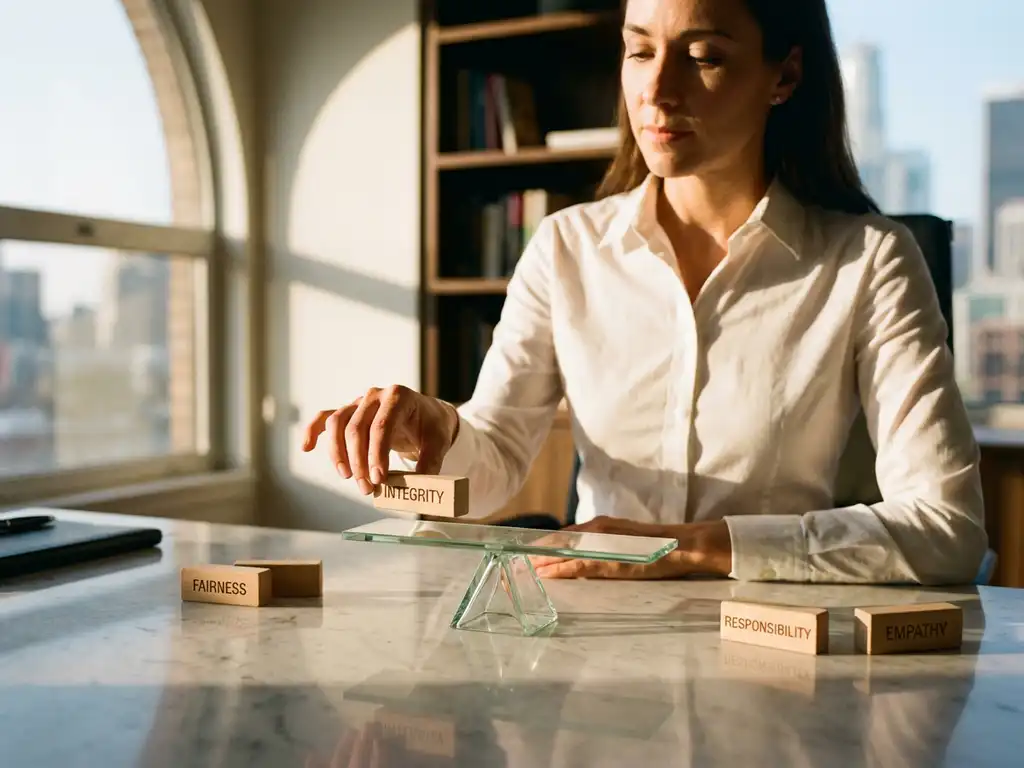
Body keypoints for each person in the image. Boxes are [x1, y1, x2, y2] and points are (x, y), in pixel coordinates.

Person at [303, 0, 988, 585]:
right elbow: (497, 465)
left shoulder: (869, 260)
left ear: (784, 74)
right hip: (593, 648)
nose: (657, 91)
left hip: (776, 654)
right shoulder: (565, 247)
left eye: (703, 56)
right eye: (639, 51)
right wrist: (443, 429)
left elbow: (947, 527)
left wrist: (690, 548)